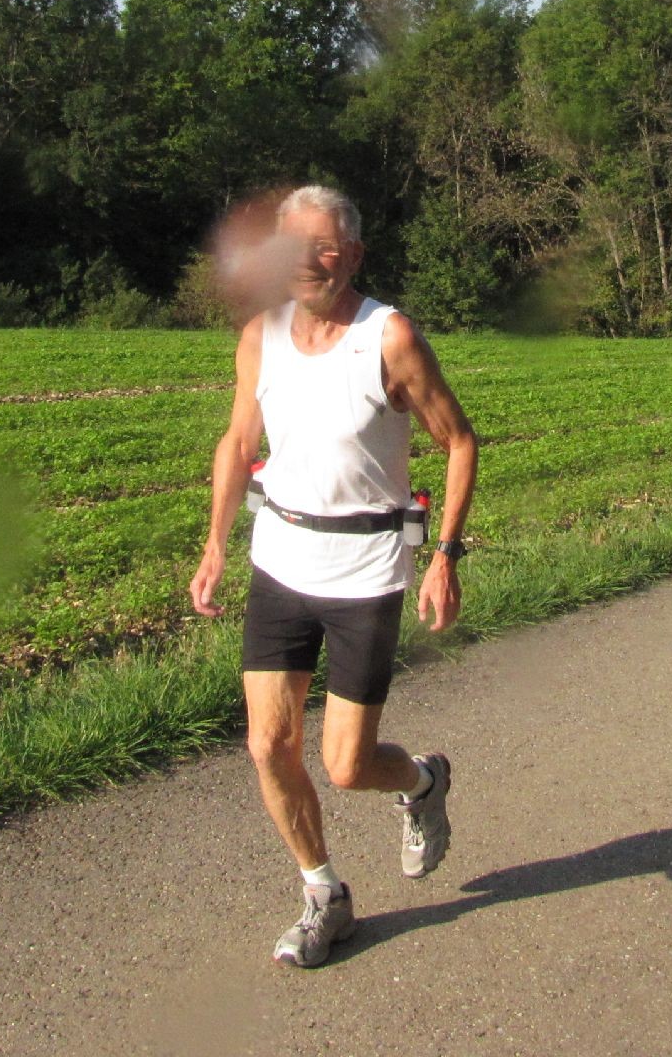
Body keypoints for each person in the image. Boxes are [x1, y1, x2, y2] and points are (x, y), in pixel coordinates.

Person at [189, 184, 479, 970]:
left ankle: (422, 782)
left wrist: (446, 556)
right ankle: (324, 894)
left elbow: (458, 441)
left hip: (365, 573)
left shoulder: (389, 338)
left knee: (348, 765)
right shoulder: (260, 336)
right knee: (268, 745)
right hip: (281, 562)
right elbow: (238, 441)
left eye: (323, 248)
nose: (306, 262)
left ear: (351, 256)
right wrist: (214, 545)